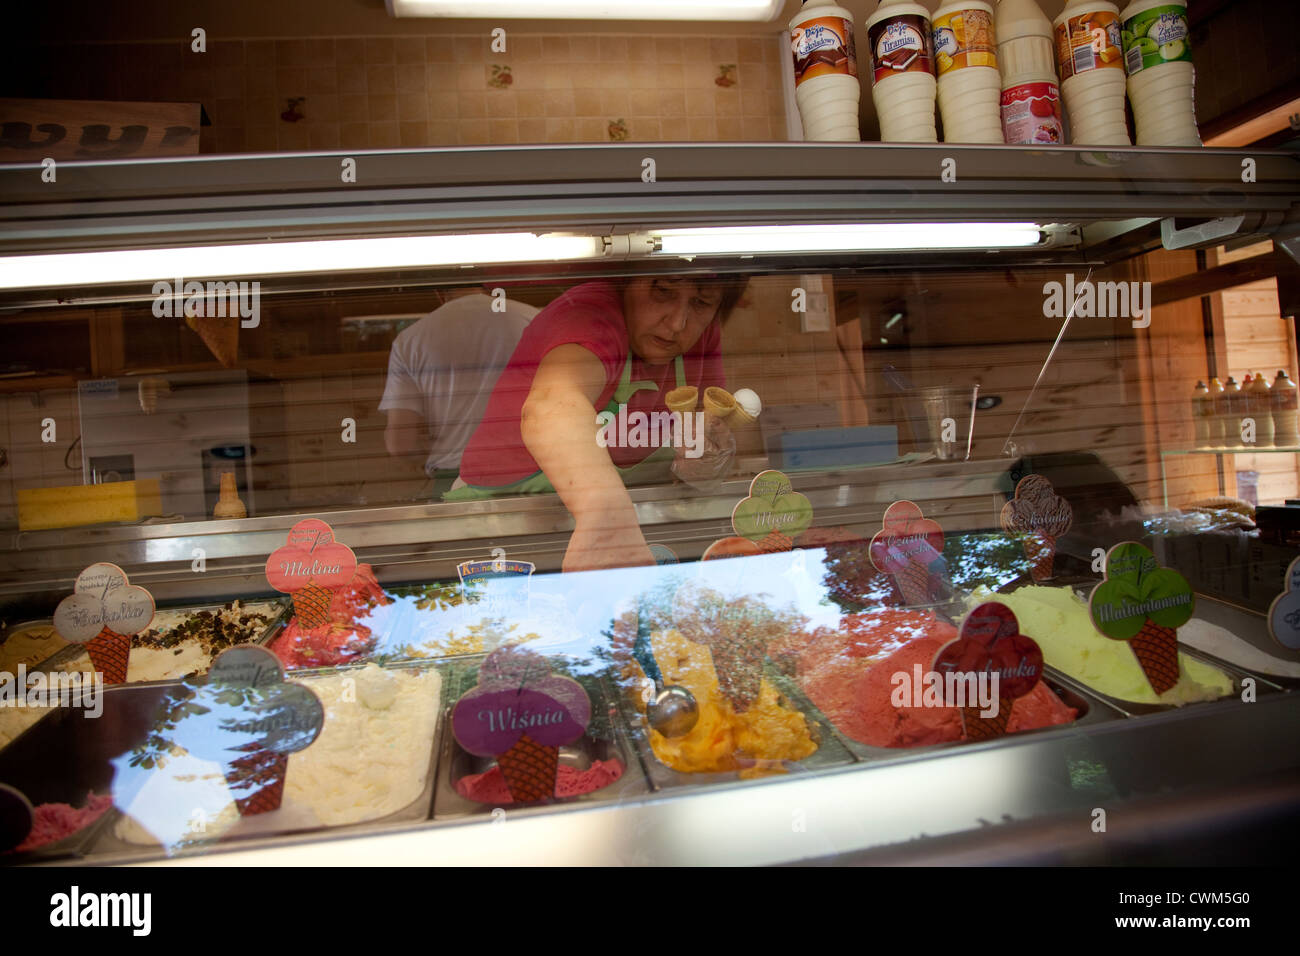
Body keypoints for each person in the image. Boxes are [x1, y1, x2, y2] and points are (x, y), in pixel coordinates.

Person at [446, 275, 748, 572]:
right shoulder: (588, 314)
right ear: (625, 282)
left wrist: (702, 460)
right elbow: (552, 405)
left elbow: (704, 428)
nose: (677, 323)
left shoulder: (701, 333)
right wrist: (607, 516)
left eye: (701, 302)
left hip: (630, 531)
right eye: (663, 291)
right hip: (506, 524)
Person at [379, 289, 539, 498]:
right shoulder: (535, 320)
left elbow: (400, 444)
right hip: (532, 477)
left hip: (455, 481)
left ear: (438, 292)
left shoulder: (410, 340)